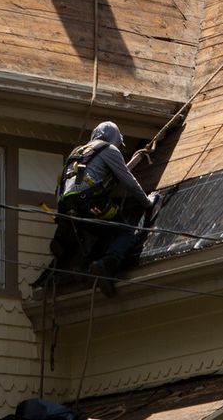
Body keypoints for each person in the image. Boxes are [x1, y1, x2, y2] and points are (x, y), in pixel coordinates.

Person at [48, 121, 155, 294]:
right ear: (113, 137)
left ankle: (84, 267)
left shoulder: (77, 153)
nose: (118, 146)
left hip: (67, 209)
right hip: (89, 202)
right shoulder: (108, 150)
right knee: (125, 230)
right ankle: (106, 264)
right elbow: (128, 180)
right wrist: (147, 202)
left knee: (103, 232)